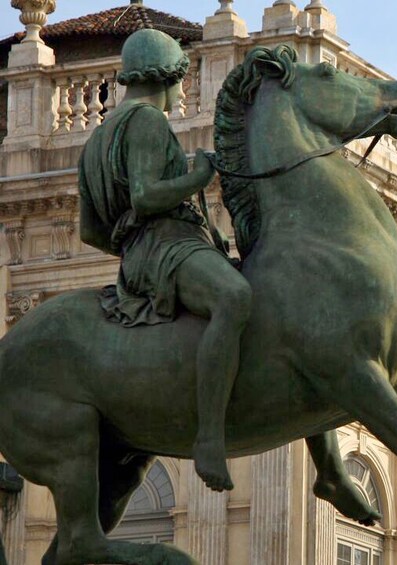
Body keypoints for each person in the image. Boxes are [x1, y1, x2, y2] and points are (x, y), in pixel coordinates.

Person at [77, 29, 250, 492]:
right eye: (180, 81)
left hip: (139, 254)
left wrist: (131, 244)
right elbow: (147, 194)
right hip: (166, 246)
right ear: (169, 77)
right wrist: (195, 177)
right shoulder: (148, 122)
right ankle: (211, 437)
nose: (180, 93)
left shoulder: (97, 138)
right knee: (233, 296)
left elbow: (90, 231)